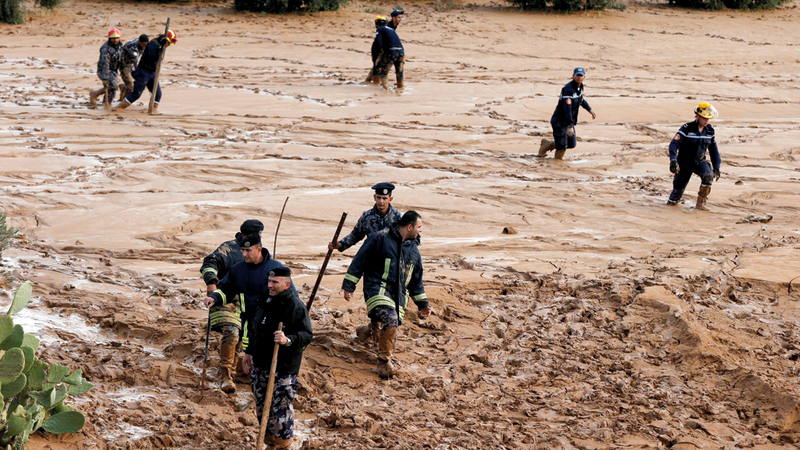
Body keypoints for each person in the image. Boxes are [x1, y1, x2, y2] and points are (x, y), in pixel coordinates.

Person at [342, 211, 431, 378]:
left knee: (391, 320)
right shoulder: (380, 238)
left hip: (398, 296)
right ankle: (383, 363)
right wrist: (349, 285)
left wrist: (423, 304)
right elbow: (359, 260)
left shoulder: (414, 252)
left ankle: (369, 330)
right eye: (419, 227)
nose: (421, 230)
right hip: (376, 288)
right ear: (410, 227)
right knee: (390, 318)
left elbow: (416, 282)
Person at [203, 228, 296, 375]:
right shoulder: (238, 269)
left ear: (259, 250)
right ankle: (233, 375)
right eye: (243, 250)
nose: (244, 254)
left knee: (269, 363)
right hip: (249, 321)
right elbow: (227, 289)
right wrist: (214, 297)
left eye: (248, 251)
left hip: (271, 323)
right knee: (248, 352)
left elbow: (292, 298)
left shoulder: (275, 268)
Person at [241, 266, 312, 450]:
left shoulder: (295, 306)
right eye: (269, 281)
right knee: (262, 408)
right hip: (260, 365)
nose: (270, 285)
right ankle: (270, 442)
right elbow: (255, 330)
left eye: (275, 282)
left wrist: (287, 339)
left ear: (287, 284)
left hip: (283, 369)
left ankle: (281, 445)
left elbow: (307, 335)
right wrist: (248, 352)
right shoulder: (264, 301)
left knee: (281, 410)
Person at [329, 182, 403, 345]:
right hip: (372, 268)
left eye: (384, 198)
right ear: (374, 197)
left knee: (391, 304)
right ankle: (374, 330)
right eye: (378, 198)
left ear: (390, 198)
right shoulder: (367, 216)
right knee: (374, 300)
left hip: (392, 268)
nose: (381, 202)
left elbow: (409, 240)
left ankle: (381, 338)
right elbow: (355, 235)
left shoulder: (399, 218)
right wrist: (339, 245)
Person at [200, 219, 263, 393]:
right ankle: (225, 375)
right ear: (244, 235)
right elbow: (209, 264)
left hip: (245, 304)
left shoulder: (259, 252)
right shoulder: (228, 249)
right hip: (224, 299)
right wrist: (211, 283)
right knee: (232, 332)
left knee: (243, 338)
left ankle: (234, 371)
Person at [667, 102, 721, 210]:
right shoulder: (686, 129)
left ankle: (701, 204)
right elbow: (674, 144)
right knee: (676, 194)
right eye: (704, 118)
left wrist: (717, 166)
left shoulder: (709, 131)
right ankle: (670, 208)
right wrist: (673, 160)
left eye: (708, 119)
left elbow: (713, 150)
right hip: (684, 163)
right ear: (697, 116)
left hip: (699, 162)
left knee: (708, 176)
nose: (706, 121)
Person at [538, 67, 597, 159]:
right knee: (562, 146)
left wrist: (590, 110)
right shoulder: (567, 89)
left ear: (584, 77)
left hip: (569, 120)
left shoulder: (580, 87)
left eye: (581, 76)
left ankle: (547, 144)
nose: (579, 77)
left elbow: (580, 99)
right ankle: (557, 163)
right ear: (573, 76)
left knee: (571, 143)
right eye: (577, 75)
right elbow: (567, 108)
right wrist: (570, 126)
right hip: (560, 120)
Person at [114, 30, 177, 112]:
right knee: (137, 93)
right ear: (165, 40)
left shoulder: (161, 46)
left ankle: (152, 109)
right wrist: (160, 49)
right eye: (169, 42)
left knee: (157, 94)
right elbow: (152, 57)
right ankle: (120, 107)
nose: (169, 45)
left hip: (152, 73)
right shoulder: (153, 45)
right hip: (144, 72)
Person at [89, 29, 123, 109]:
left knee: (112, 89)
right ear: (110, 38)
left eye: (117, 38)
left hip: (114, 70)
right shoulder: (105, 48)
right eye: (113, 38)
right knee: (114, 86)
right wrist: (105, 78)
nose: (115, 40)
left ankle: (106, 103)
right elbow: (105, 63)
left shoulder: (120, 46)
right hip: (105, 70)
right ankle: (96, 93)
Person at [373, 21, 405, 90]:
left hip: (392, 52)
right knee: (399, 72)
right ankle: (401, 88)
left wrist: (379, 56)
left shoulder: (380, 29)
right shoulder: (391, 30)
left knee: (383, 73)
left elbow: (379, 42)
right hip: (401, 52)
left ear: (376, 25)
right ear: (386, 24)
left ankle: (386, 90)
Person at [119, 34, 149, 101]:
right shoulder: (132, 47)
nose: (145, 46)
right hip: (124, 65)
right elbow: (136, 63)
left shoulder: (143, 45)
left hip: (132, 64)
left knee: (141, 81)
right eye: (143, 44)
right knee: (130, 86)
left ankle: (124, 87)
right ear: (139, 42)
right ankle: (124, 100)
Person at [365, 16, 388, 85]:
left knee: (377, 66)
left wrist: (380, 53)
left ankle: (376, 83)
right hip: (384, 50)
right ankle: (372, 81)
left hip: (378, 50)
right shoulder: (388, 29)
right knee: (378, 66)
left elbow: (380, 41)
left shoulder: (379, 30)